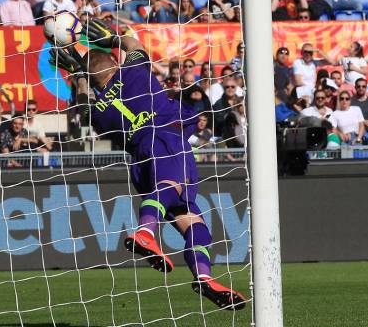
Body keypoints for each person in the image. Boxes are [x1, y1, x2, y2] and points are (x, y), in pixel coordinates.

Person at [49, 19, 245, 310]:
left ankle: (204, 277)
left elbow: (83, 108)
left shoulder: (99, 116)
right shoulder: (133, 72)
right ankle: (144, 233)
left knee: (193, 221)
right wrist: (111, 38)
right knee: (174, 189)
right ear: (115, 62)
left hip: (140, 161)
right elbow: (135, 44)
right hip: (165, 139)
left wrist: (78, 74)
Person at [351, 78, 368, 144]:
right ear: (355, 87)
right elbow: (347, 119)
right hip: (354, 133)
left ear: (366, 88)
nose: (361, 88)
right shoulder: (350, 102)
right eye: (359, 86)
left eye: (363, 86)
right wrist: (363, 122)